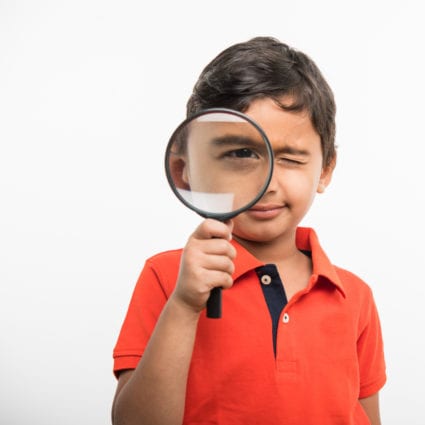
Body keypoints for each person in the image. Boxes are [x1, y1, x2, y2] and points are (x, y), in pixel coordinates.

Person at [111, 36, 386, 425]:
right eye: (241, 153)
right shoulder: (167, 279)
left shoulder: (353, 296)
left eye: (290, 157)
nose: (268, 180)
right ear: (183, 172)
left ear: (324, 170)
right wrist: (185, 306)